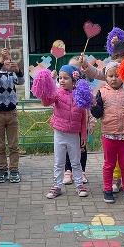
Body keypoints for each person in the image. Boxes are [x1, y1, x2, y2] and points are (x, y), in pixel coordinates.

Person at [39, 64, 89, 199]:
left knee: (76, 162)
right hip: (59, 134)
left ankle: (79, 185)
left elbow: (83, 117)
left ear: (74, 80)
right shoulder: (57, 93)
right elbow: (45, 102)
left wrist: (83, 135)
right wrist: (46, 84)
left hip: (74, 134)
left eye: (65, 78)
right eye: (60, 78)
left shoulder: (80, 95)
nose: (62, 80)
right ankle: (57, 186)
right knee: (59, 162)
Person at [91, 61, 124, 204]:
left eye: (117, 75)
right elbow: (98, 113)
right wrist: (93, 105)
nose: (114, 78)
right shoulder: (102, 92)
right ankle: (107, 190)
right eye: (110, 76)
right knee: (109, 164)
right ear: (106, 77)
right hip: (109, 135)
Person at [0, 47, 24, 183]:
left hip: (12, 113)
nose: (8, 61)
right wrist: (0, 63)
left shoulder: (11, 74)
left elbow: (21, 81)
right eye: (4, 58)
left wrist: (18, 70)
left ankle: (14, 169)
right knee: (0, 145)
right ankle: (2, 169)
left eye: (9, 58)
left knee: (13, 144)